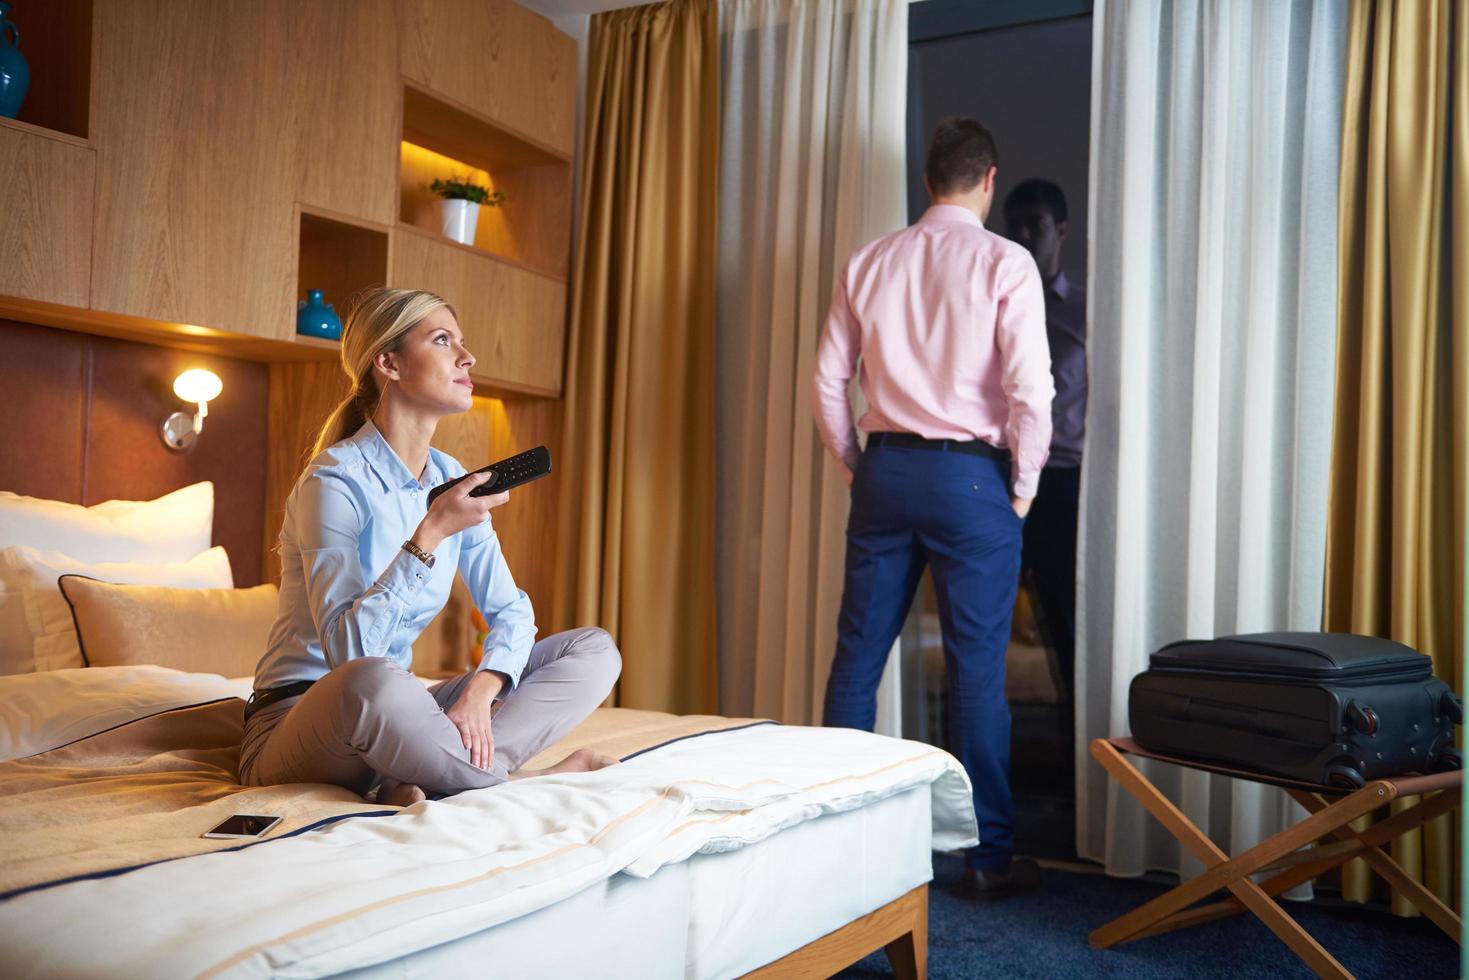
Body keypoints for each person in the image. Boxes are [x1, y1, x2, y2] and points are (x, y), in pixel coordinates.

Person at [240, 287, 620, 807]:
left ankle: (431, 769)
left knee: (593, 651)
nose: (467, 358)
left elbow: (511, 611)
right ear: (388, 363)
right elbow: (350, 657)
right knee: (374, 681)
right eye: (443, 340)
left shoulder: (451, 479)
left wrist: (481, 691)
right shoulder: (332, 483)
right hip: (303, 717)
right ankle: (522, 780)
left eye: (461, 341)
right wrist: (431, 532)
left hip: (403, 709)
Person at [812, 118, 1054, 899]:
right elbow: (1030, 390)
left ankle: (826, 846)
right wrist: (1021, 487)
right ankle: (985, 861)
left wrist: (858, 463)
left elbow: (825, 382)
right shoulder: (1004, 260)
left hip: (885, 472)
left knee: (856, 660)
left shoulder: (869, 260)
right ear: (987, 180)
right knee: (976, 675)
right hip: (972, 479)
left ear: (927, 182)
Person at [1004, 180, 1085, 707]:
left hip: (1063, 483)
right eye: (1017, 227)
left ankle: (1077, 762)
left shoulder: (1087, 313)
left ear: (1060, 230)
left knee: (1064, 624)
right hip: (1001, 477)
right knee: (983, 623)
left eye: (1037, 224)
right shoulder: (993, 306)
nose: (1026, 236)